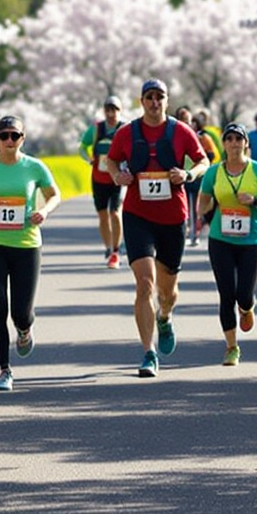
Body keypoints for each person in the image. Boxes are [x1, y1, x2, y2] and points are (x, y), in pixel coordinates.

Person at [102, 78, 209, 377]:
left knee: (168, 290)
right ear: (141, 101)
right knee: (144, 284)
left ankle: (165, 316)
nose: (154, 102)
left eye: (159, 97)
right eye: (149, 97)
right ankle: (148, 353)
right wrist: (116, 176)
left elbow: (203, 161)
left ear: (166, 100)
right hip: (138, 216)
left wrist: (188, 174)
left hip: (173, 217)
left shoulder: (180, 131)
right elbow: (112, 161)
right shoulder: (128, 132)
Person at [0, 115, 58, 392]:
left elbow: (54, 194)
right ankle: (4, 370)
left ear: (22, 139)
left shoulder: (34, 167)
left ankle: (25, 329)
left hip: (26, 246)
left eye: (14, 135)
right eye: (4, 135)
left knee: (21, 312)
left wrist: (44, 211)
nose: (9, 140)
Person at [195, 124, 257, 366]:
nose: (234, 143)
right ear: (223, 144)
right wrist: (204, 206)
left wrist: (256, 200)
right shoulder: (214, 173)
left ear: (246, 143)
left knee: (243, 294)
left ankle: (247, 307)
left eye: (238, 139)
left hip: (251, 240)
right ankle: (231, 347)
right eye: (229, 139)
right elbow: (201, 204)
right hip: (220, 239)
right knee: (226, 294)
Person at [83, 94, 124, 265]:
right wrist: (89, 159)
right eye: (108, 110)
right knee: (102, 215)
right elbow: (82, 147)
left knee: (115, 213)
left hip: (117, 178)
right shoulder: (96, 129)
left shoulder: (124, 128)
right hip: (98, 178)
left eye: (114, 110)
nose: (111, 113)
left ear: (119, 111)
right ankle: (107, 247)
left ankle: (116, 250)